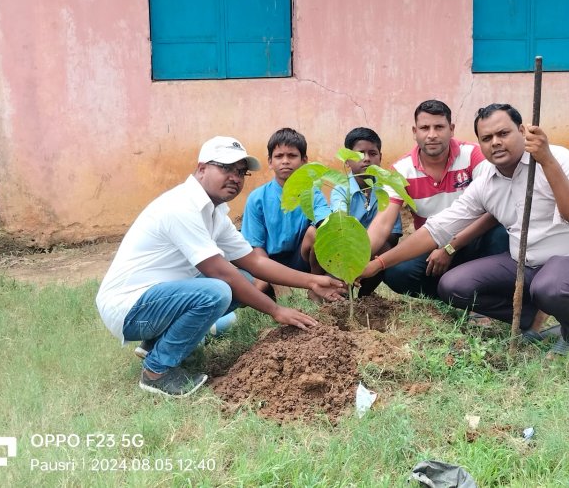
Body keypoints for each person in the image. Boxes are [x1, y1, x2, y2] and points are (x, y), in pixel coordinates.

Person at [96, 136, 346, 397]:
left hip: (155, 300)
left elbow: (255, 262)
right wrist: (276, 310)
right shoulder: (181, 206)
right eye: (226, 168)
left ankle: (156, 345)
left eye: (240, 172)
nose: (235, 177)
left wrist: (312, 281)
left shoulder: (215, 214)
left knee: (244, 278)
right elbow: (218, 271)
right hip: (130, 308)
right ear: (202, 168)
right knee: (218, 289)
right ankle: (156, 372)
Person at [362, 104, 569, 358]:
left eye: (503, 134)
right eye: (487, 138)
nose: (496, 143)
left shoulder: (557, 157)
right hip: (524, 263)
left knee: (550, 287)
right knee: (453, 285)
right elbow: (437, 228)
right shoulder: (486, 180)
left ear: (522, 131)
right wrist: (377, 264)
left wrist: (547, 161)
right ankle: (531, 316)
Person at [366, 99, 508, 301]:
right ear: (415, 132)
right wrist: (357, 260)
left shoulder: (474, 155)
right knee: (397, 272)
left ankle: (489, 299)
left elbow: (493, 210)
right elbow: (382, 224)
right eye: (425, 128)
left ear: (451, 129)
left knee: (503, 235)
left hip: (477, 239)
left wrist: (451, 247)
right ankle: (453, 298)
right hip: (431, 244)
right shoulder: (401, 170)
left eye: (439, 127)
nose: (432, 135)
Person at [241, 128, 331, 297]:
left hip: (302, 259)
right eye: (279, 156)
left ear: (304, 161)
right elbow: (256, 246)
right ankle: (271, 291)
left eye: (292, 156)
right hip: (269, 261)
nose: (285, 161)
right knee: (254, 289)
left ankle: (316, 283)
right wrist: (276, 280)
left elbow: (324, 221)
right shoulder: (257, 198)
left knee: (316, 232)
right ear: (270, 161)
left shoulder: (312, 193)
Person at [329, 127, 403, 295]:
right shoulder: (341, 189)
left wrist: (367, 252)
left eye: (373, 153)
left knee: (386, 249)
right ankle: (334, 290)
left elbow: (394, 234)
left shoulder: (387, 188)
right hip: (345, 248)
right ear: (347, 160)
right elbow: (339, 226)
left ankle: (365, 295)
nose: (367, 159)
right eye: (360, 154)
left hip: (374, 251)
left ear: (380, 157)